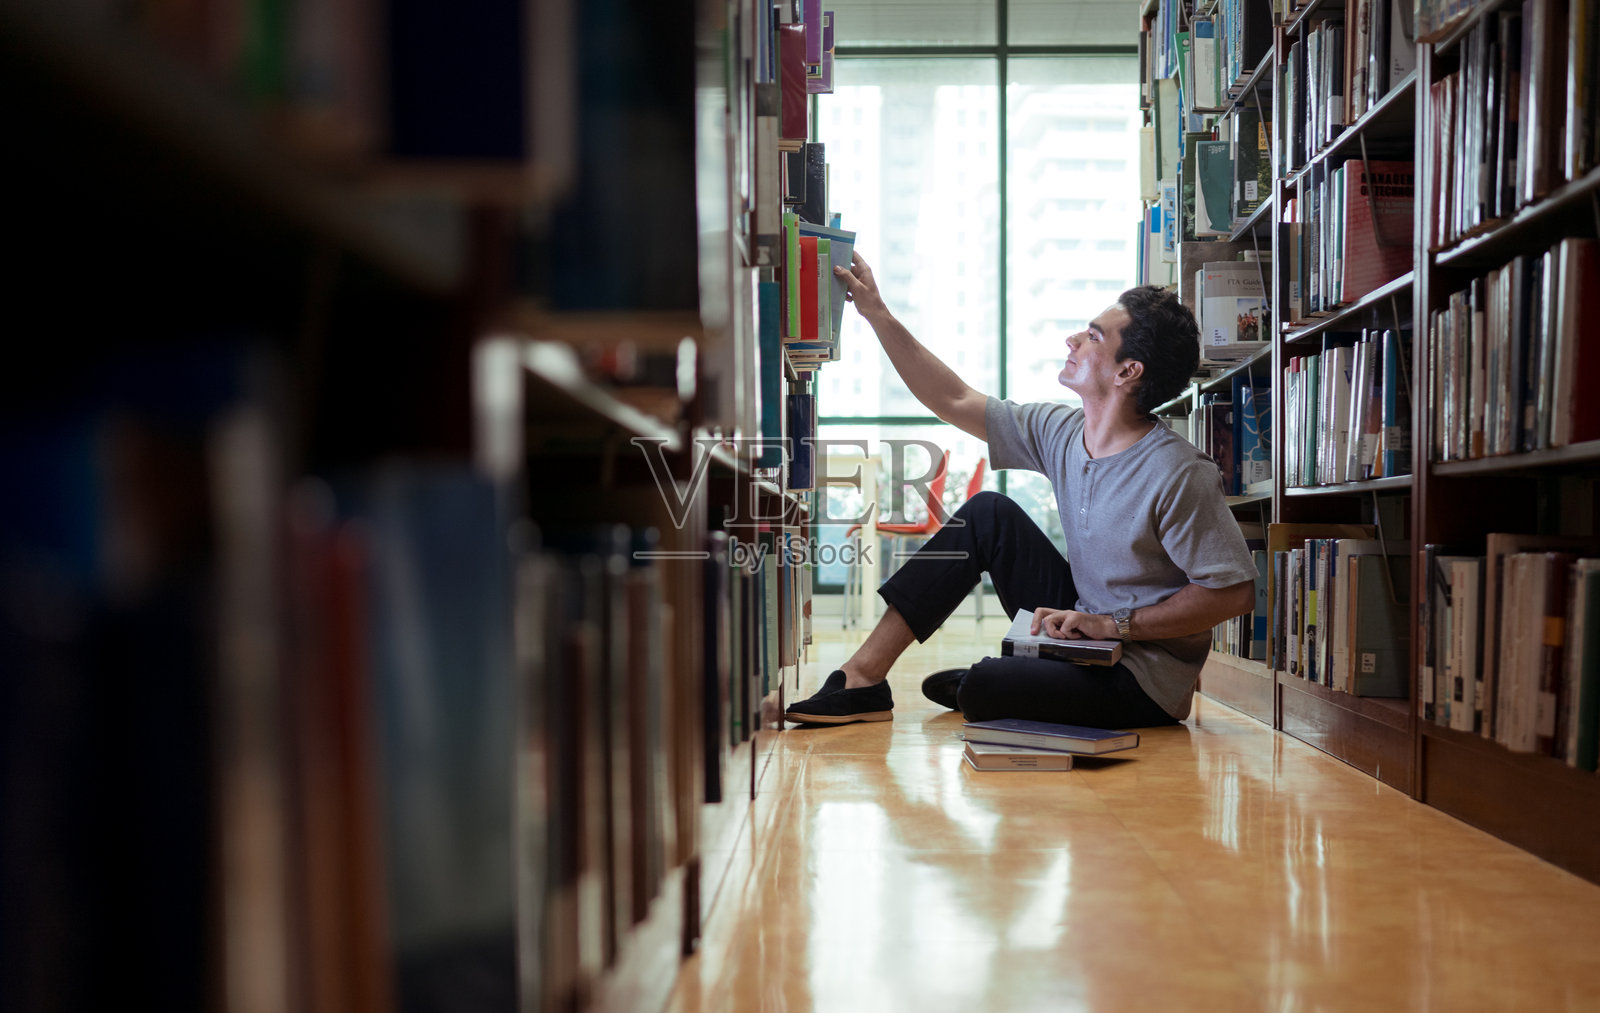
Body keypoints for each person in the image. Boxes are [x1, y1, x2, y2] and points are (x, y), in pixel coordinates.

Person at [784, 252, 1258, 729]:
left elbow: (1233, 594)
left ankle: (1013, 678)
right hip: (1084, 630)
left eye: (1094, 337)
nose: (1073, 340)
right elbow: (954, 399)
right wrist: (876, 312)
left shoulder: (1178, 472)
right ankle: (863, 679)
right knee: (988, 513)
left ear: (1127, 372)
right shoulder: (1062, 431)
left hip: (1141, 677)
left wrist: (1114, 625)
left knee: (983, 688)